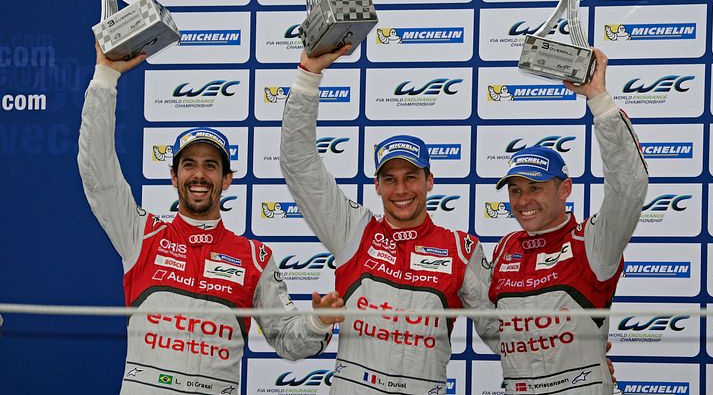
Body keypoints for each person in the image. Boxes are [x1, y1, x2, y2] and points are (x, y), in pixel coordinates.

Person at [78, 44, 343, 395]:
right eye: (189, 165)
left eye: (210, 166)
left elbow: (288, 342)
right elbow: (98, 170)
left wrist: (318, 321)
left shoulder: (254, 257)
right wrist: (105, 76)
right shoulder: (141, 233)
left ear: (226, 179)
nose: (199, 175)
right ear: (174, 176)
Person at [280, 45, 490, 394]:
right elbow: (298, 164)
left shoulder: (461, 249)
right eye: (390, 179)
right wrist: (309, 74)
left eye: (411, 177)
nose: (401, 189)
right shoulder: (354, 231)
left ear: (429, 181)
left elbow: (503, 333)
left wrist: (574, 354)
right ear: (376, 185)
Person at [472, 49, 649, 394]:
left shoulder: (593, 242)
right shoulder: (508, 246)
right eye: (515, 190)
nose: (523, 201)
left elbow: (628, 187)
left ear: (565, 188)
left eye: (535, 187)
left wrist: (598, 99)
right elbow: (497, 332)